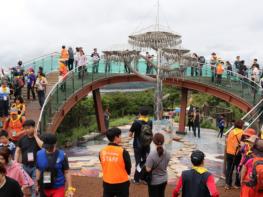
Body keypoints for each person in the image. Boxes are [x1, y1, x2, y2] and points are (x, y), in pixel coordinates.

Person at [36, 133, 75, 197]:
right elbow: (38, 169)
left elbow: (67, 172)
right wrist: (37, 184)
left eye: (50, 146)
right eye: (47, 147)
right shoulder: (39, 154)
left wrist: (70, 188)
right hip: (44, 187)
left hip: (58, 187)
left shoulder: (62, 155)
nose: (49, 149)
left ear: (55, 144)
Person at [100, 127, 131, 197]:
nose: (121, 137)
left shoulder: (102, 151)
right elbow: (128, 167)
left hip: (107, 182)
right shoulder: (123, 151)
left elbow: (103, 164)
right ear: (116, 137)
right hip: (121, 182)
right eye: (120, 135)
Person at [15, 119, 43, 196]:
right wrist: (16, 162)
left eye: (28, 128)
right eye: (25, 128)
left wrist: (36, 136)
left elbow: (43, 147)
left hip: (36, 166)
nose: (26, 130)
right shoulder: (22, 139)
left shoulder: (39, 138)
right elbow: (17, 151)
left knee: (35, 185)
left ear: (34, 127)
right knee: (26, 186)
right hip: (25, 166)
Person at [129, 107, 152, 184]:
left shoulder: (136, 122)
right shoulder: (150, 121)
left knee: (138, 162)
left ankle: (136, 179)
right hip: (147, 145)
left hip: (138, 145)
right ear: (147, 114)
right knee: (146, 161)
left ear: (140, 113)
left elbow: (130, 134)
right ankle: (145, 179)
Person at [145, 133, 170, 197]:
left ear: (153, 142)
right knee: (161, 195)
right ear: (163, 141)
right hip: (164, 179)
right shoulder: (167, 153)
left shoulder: (151, 155)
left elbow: (148, 169)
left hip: (154, 181)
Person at [225, 119, 244, 189]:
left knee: (229, 168)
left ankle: (228, 184)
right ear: (241, 125)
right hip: (238, 154)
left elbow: (227, 141)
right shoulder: (242, 133)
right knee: (238, 169)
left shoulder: (231, 132)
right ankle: (237, 184)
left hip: (229, 152)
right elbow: (243, 144)